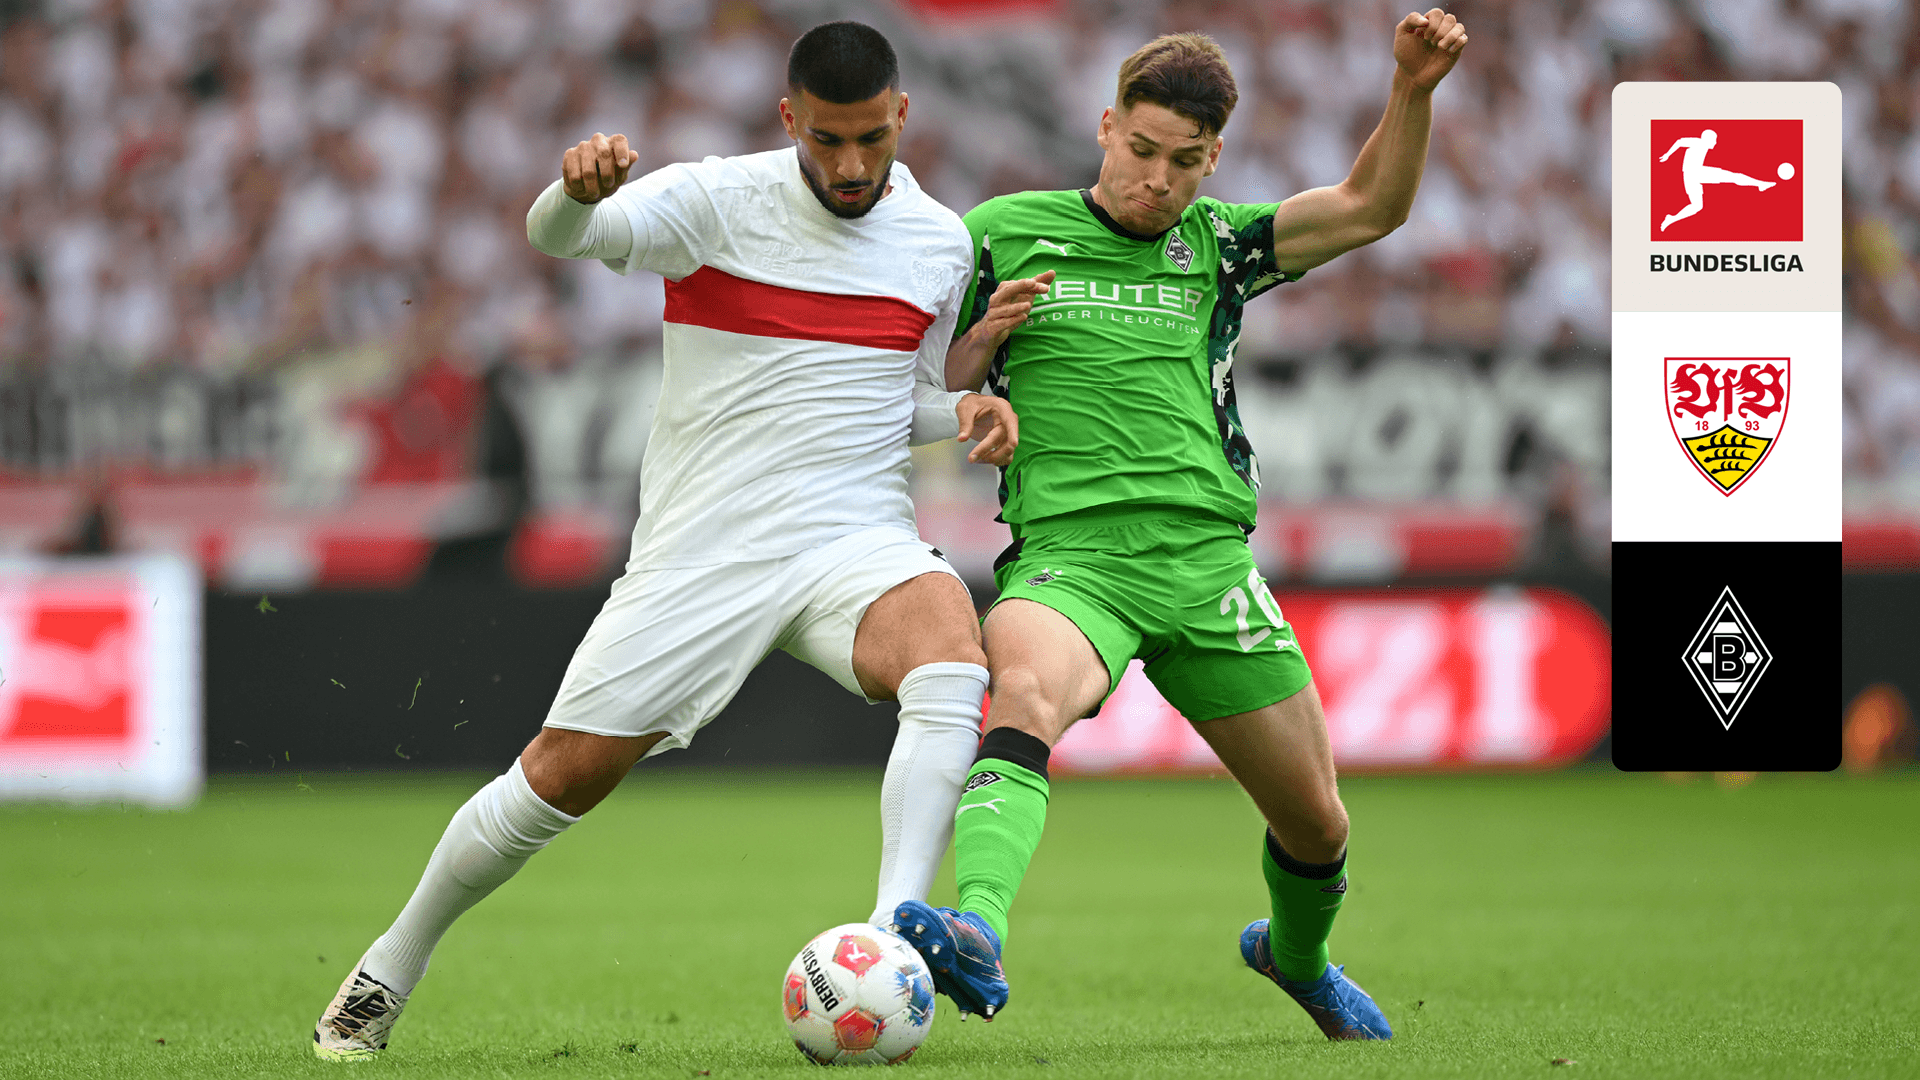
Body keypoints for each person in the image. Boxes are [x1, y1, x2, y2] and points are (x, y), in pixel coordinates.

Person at [313, 21, 1019, 1059]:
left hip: (852, 536)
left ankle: (887, 940)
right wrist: (576, 194)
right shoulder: (713, 200)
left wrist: (960, 407)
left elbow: (890, 395)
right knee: (557, 778)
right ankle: (390, 963)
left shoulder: (939, 242)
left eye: (871, 138)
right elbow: (557, 237)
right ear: (790, 120)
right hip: (704, 552)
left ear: (902, 116)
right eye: (827, 140)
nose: (851, 165)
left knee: (951, 652)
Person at [890, 10, 1468, 1042]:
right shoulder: (1000, 229)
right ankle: (977, 927)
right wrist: (981, 353)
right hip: (1074, 559)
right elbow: (924, 378)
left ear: (1213, 161)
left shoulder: (1222, 245)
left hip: (1210, 567)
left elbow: (1371, 206)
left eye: (1184, 162)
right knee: (1023, 693)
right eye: (1144, 150)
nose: (1157, 180)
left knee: (1317, 823)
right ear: (1107, 127)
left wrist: (1411, 90)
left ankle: (1298, 959)